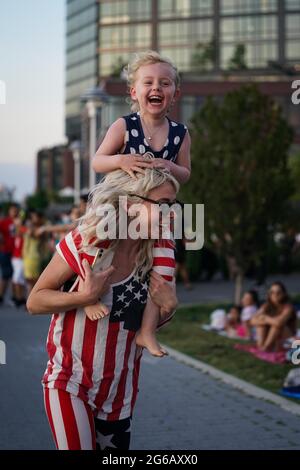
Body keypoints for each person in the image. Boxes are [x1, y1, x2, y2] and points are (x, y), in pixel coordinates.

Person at [26, 167, 179, 450]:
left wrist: (169, 307)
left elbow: (146, 321)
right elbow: (35, 301)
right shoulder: (86, 240)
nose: (172, 214)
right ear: (131, 202)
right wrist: (84, 297)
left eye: (174, 206)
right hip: (69, 380)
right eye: (164, 205)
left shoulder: (160, 252)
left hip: (119, 391)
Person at [92, 50, 191, 351]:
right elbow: (98, 160)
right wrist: (120, 159)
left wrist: (172, 168)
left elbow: (185, 173)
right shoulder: (124, 126)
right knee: (95, 248)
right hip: (120, 206)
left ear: (175, 93)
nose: (156, 88)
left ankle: (147, 330)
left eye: (165, 83)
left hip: (158, 213)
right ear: (135, 92)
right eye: (148, 82)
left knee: (164, 268)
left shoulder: (180, 133)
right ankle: (87, 295)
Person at [250, 281, 297, 352]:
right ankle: (261, 346)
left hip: (287, 336)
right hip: (271, 335)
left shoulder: (288, 307)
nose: (275, 295)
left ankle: (265, 348)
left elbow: (279, 323)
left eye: (278, 293)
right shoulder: (266, 305)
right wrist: (264, 320)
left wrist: (265, 318)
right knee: (261, 325)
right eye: (272, 292)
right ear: (269, 294)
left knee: (276, 326)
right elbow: (252, 320)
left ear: (284, 294)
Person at [0, 203, 19, 305]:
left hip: (15, 252)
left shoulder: (19, 221)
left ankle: (15, 296)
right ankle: (1, 296)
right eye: (13, 210)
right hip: (5, 251)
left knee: (14, 276)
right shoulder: (5, 222)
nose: (15, 212)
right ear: (9, 211)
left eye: (16, 210)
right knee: (6, 275)